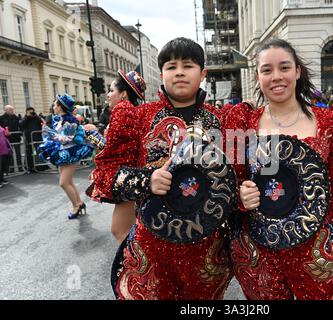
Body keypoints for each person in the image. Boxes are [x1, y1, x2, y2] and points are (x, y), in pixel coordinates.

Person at [225, 38, 333, 300]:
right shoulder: (240, 122)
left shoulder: (332, 121)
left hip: (319, 251)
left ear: (297, 71)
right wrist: (240, 195)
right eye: (267, 70)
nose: (276, 77)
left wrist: (332, 236)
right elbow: (228, 182)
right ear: (257, 76)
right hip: (259, 252)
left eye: (284, 68)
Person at [106, 38, 233, 300]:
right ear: (161, 74)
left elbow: (237, 179)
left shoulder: (223, 121)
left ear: (203, 73)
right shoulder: (137, 118)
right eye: (171, 66)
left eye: (188, 65)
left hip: (207, 248)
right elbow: (108, 176)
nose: (179, 72)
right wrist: (146, 180)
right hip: (152, 246)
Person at [86, 69, 146, 244]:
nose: (108, 95)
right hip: (130, 175)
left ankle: (132, 268)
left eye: (112, 90)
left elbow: (110, 148)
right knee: (125, 229)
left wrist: (92, 134)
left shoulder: (122, 110)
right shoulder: (131, 110)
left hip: (124, 176)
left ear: (124, 94)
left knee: (120, 230)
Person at [38, 94, 94, 219]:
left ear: (60, 107)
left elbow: (66, 139)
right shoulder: (59, 118)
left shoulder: (70, 120)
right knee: (68, 181)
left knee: (63, 183)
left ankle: (76, 206)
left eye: (55, 104)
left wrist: (48, 132)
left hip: (70, 153)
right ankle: (79, 203)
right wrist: (49, 131)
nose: (53, 106)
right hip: (63, 153)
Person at [20, 107, 44, 173]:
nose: (31, 113)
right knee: (29, 153)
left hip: (37, 138)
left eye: (32, 112)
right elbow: (21, 125)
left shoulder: (36, 118)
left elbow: (41, 122)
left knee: (38, 152)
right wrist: (27, 117)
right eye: (29, 112)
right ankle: (30, 167)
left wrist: (35, 115)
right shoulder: (25, 118)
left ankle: (40, 167)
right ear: (26, 112)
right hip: (29, 139)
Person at [0, 105, 23, 172]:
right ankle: (11, 168)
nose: (12, 111)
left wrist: (19, 133)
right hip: (7, 139)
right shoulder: (1, 118)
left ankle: (20, 167)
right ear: (6, 110)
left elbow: (20, 126)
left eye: (12, 109)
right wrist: (5, 132)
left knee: (18, 153)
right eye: (10, 110)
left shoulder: (16, 117)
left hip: (16, 137)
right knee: (9, 154)